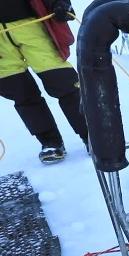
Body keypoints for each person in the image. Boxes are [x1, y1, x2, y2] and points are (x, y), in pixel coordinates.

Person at [0, 0, 88, 164]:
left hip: (30, 25)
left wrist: (59, 2)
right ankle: (50, 142)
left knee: (62, 82)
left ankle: (91, 135)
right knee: (19, 91)